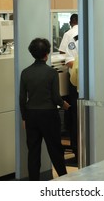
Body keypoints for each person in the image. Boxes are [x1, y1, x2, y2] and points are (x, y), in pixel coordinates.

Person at [19, 38, 70, 180]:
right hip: (49, 115)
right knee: (55, 149)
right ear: (47, 54)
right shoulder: (51, 73)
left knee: (33, 152)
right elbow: (55, 97)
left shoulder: (25, 73)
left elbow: (22, 98)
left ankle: (33, 182)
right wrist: (65, 105)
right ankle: (64, 178)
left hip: (31, 115)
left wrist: (24, 117)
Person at [58, 14, 79, 163]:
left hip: (80, 82)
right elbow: (68, 59)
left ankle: (79, 149)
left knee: (76, 116)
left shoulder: (69, 34)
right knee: (77, 116)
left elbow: (65, 56)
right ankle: (80, 150)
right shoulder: (73, 37)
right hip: (80, 82)